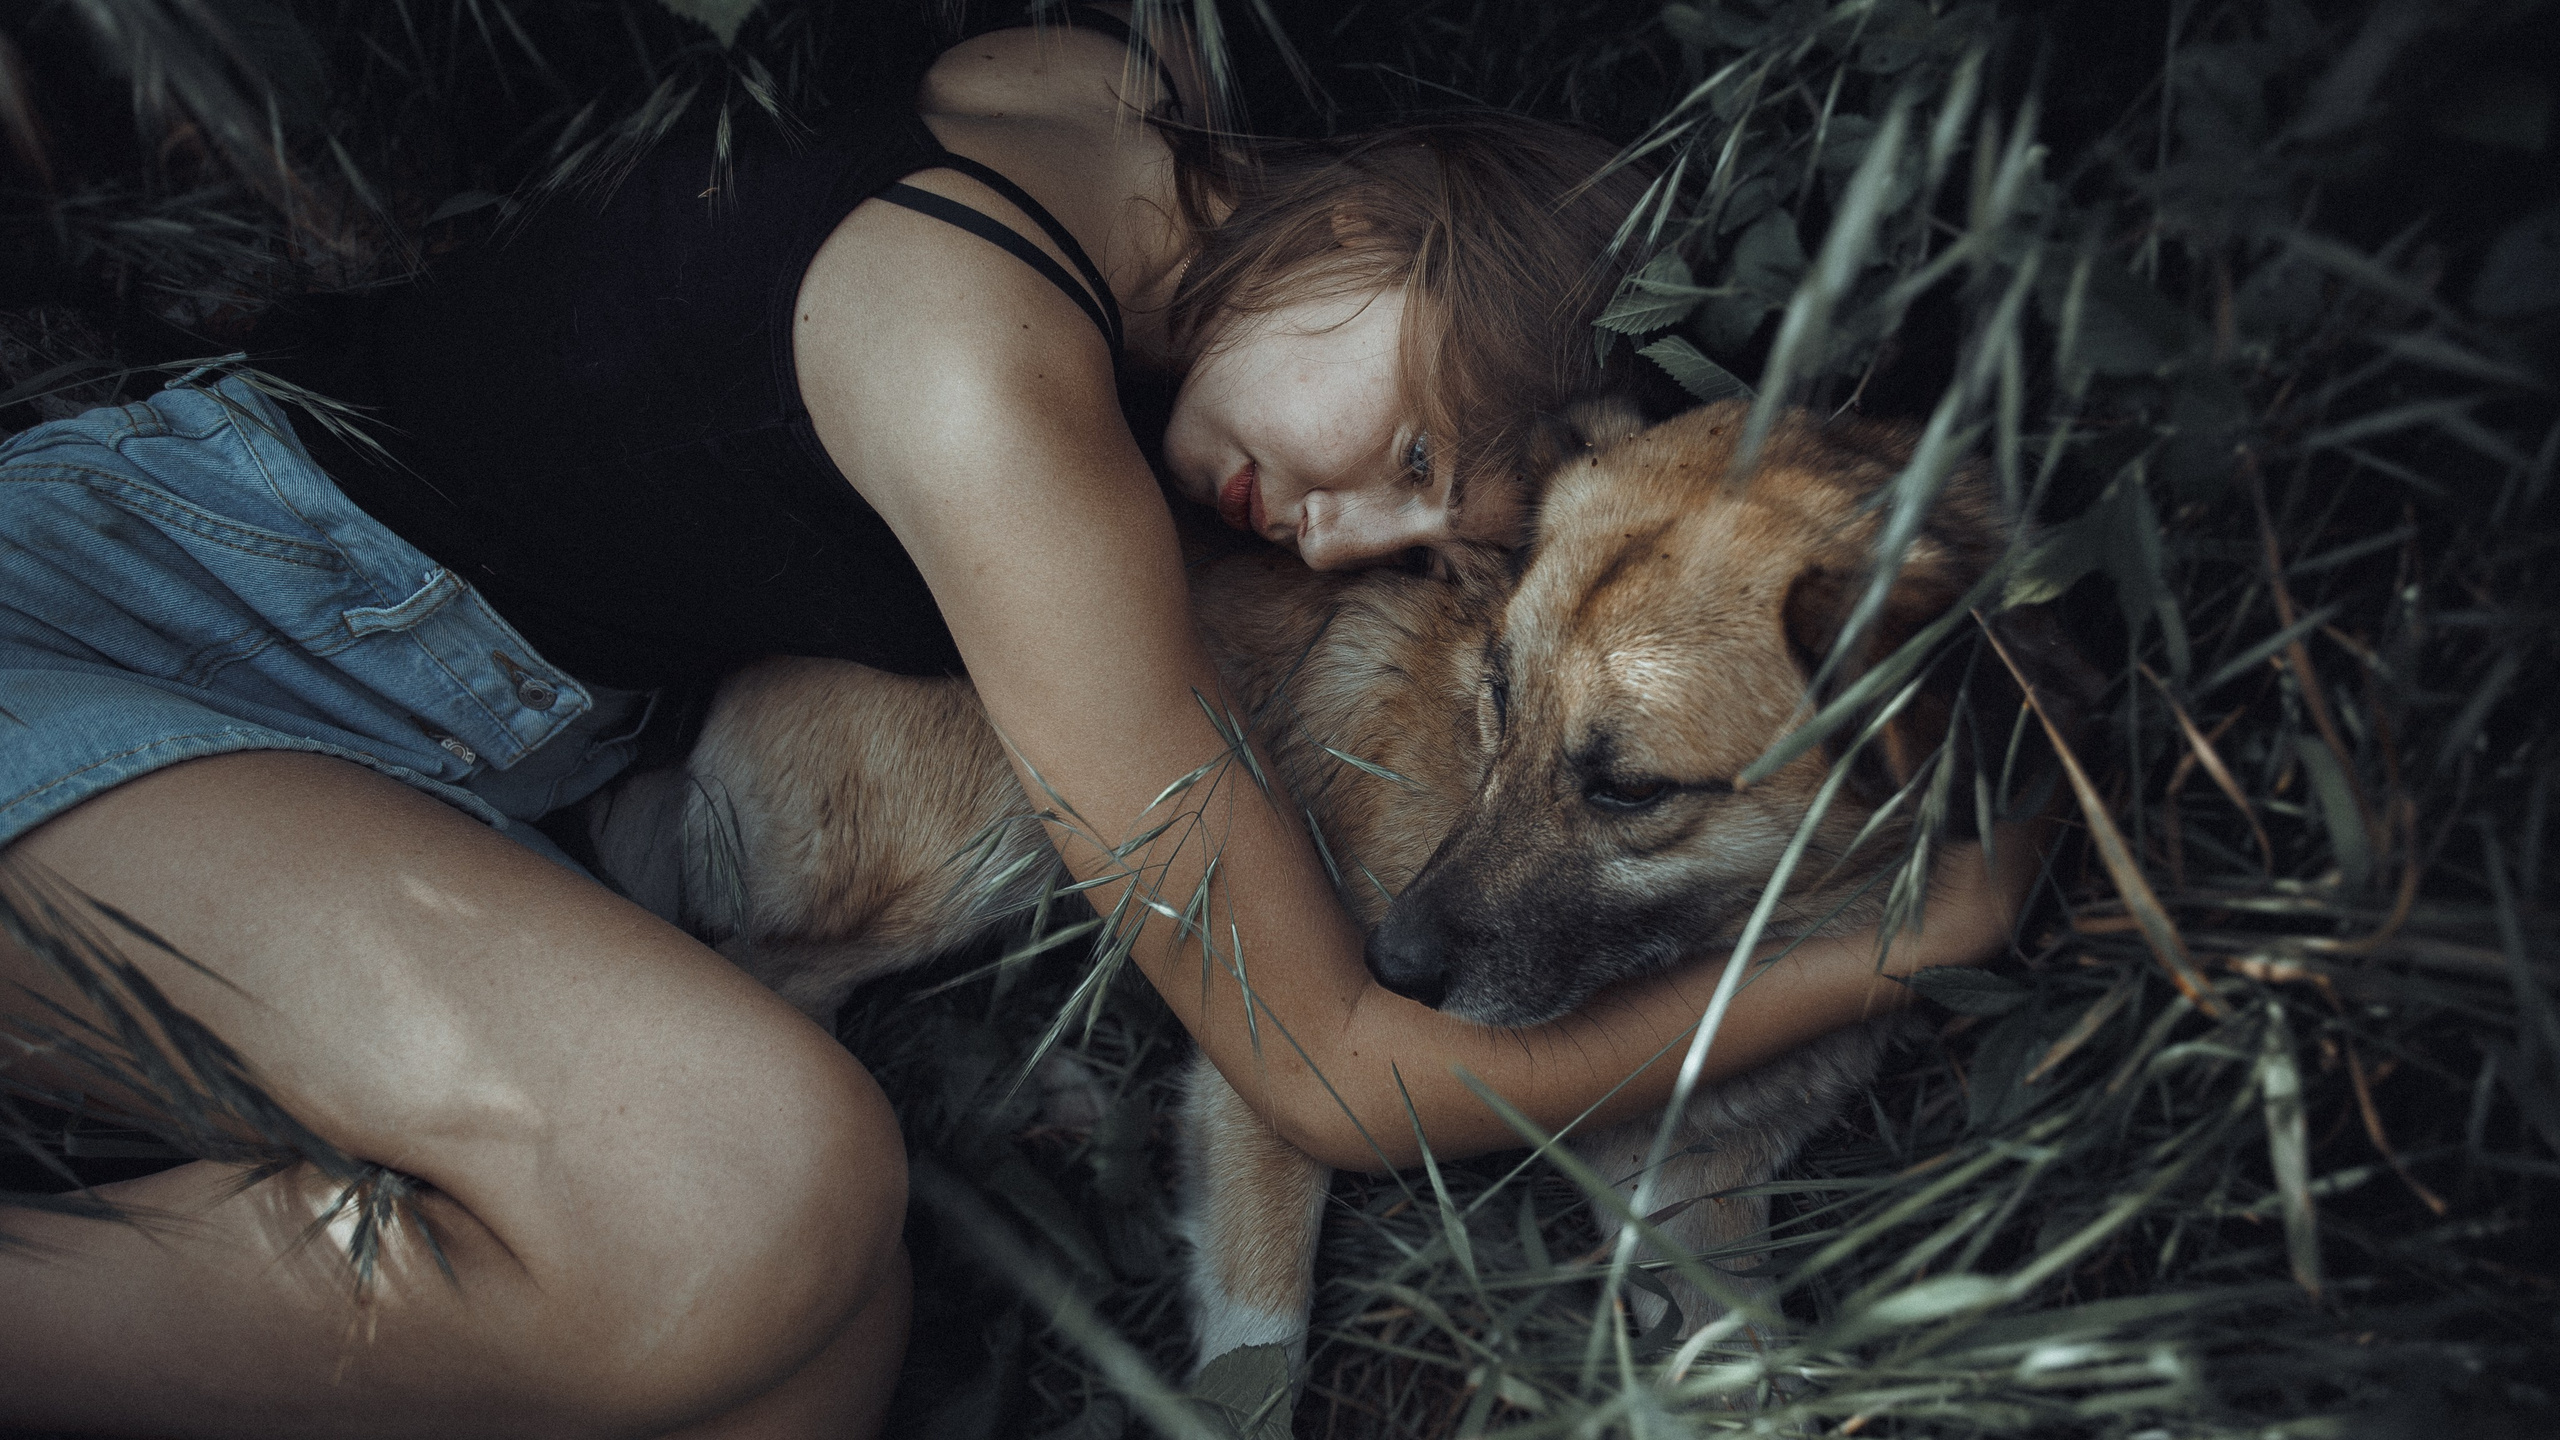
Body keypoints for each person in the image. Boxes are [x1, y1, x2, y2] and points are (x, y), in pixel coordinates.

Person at [0, 6, 2036, 1437]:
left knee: (800, 1341)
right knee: (745, 1202)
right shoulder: (988, 391)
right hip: (117, 626)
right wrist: (1914, 937)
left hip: (379, 731)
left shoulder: (1086, 94)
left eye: (1433, 528)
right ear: (1368, 222)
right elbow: (1322, 1079)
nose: (1344, 537)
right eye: (1414, 437)